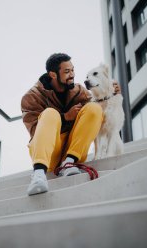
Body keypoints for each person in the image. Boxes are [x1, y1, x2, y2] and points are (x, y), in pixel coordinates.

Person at [21, 53, 118, 196]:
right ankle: (38, 174)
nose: (72, 74)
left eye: (73, 70)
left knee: (94, 108)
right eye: (67, 72)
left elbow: (98, 112)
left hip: (73, 150)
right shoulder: (32, 97)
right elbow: (35, 131)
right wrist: (65, 117)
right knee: (50, 113)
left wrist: (111, 92)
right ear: (53, 75)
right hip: (48, 154)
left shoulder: (79, 91)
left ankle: (69, 162)